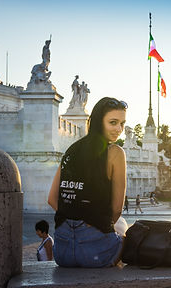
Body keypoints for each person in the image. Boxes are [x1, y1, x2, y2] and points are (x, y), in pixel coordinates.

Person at [47, 97, 128, 268]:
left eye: (122, 123)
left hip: (62, 253)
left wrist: (76, 220)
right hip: (95, 253)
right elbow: (116, 209)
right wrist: (94, 223)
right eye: (113, 122)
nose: (119, 129)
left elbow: (52, 199)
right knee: (125, 230)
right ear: (99, 122)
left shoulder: (71, 151)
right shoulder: (115, 152)